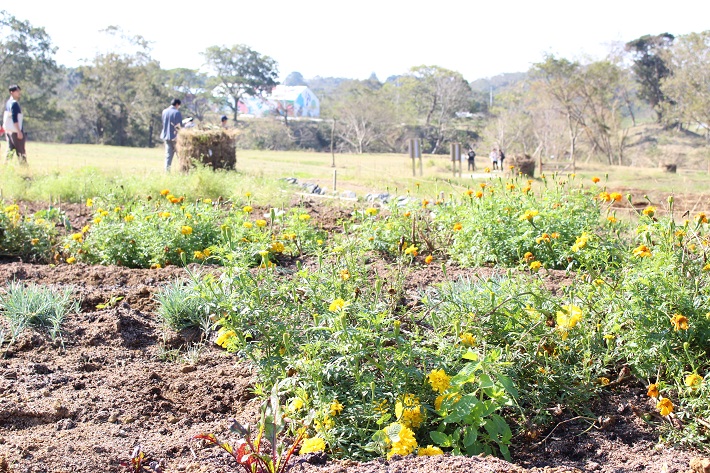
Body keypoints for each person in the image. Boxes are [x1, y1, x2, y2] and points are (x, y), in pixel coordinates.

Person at [3, 84, 27, 164]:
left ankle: (5, 167)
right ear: (11, 92)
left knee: (10, 150)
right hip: (15, 131)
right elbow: (14, 118)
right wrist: (19, 131)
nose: (19, 93)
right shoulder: (14, 104)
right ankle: (25, 169)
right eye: (17, 91)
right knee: (20, 151)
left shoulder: (8, 103)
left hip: (9, 130)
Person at [160, 98, 183, 172]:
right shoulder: (177, 112)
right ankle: (182, 171)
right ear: (177, 104)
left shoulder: (164, 111)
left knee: (168, 156)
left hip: (166, 136)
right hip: (175, 137)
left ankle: (167, 171)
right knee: (180, 156)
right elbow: (179, 126)